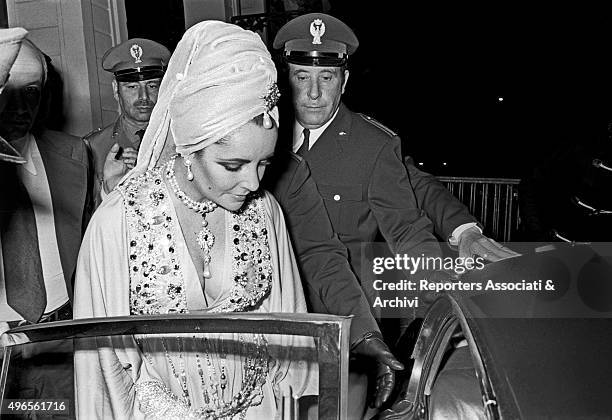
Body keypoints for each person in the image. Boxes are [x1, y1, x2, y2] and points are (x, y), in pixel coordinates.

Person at [74, 21, 318, 419]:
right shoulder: (118, 222)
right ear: (189, 148)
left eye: (264, 163)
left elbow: (291, 337)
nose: (252, 182)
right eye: (233, 164)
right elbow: (103, 367)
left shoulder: (265, 209)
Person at [0, 36, 93, 418]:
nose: (22, 106)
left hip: (58, 340)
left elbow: (89, 245)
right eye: (10, 89)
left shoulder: (72, 154)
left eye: (33, 91)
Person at [84, 38, 170, 206]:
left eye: (152, 86)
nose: (144, 97)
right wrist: (108, 191)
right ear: (116, 90)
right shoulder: (93, 147)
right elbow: (86, 218)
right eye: (132, 87)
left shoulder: (182, 140)